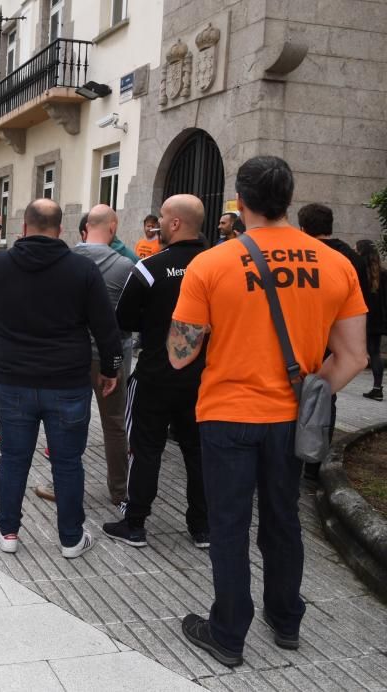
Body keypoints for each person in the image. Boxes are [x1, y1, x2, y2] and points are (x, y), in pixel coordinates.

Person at [170, 156, 368, 668]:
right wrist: (312, 393)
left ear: (240, 200)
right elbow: (354, 357)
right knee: (283, 521)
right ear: (289, 198)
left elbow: (179, 352)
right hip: (291, 422)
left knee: (230, 524)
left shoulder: (210, 264)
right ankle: (286, 621)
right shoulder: (335, 263)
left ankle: (228, 631)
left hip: (226, 415)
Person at [0, 199, 121, 559]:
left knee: (13, 457)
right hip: (68, 382)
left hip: (12, 378)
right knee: (67, 461)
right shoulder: (83, 269)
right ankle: (71, 538)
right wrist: (110, 368)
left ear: (24, 227)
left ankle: (8, 531)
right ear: (61, 230)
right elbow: (105, 327)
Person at [102, 194, 210, 550]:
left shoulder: (151, 267)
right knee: (197, 452)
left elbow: (125, 319)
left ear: (175, 223)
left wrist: (155, 324)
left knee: (146, 449)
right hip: (204, 378)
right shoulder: (216, 265)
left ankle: (135, 525)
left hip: (155, 376)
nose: (157, 224)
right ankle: (201, 528)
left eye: (162, 218)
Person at [297, 202, 368, 480]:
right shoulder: (352, 257)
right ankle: (314, 462)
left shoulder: (307, 255)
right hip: (344, 334)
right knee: (326, 398)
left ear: (303, 228)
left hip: (310, 334)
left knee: (303, 394)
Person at [72, 205, 134, 506]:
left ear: (86, 227)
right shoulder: (125, 266)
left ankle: (65, 486)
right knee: (114, 424)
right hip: (111, 358)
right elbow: (132, 318)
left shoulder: (67, 260)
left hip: (72, 355)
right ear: (113, 228)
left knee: (71, 422)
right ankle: (120, 492)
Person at [357, 239, 386, 400]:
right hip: (378, 319)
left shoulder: (360, 272)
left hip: (361, 316)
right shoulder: (382, 273)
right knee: (375, 352)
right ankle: (377, 387)